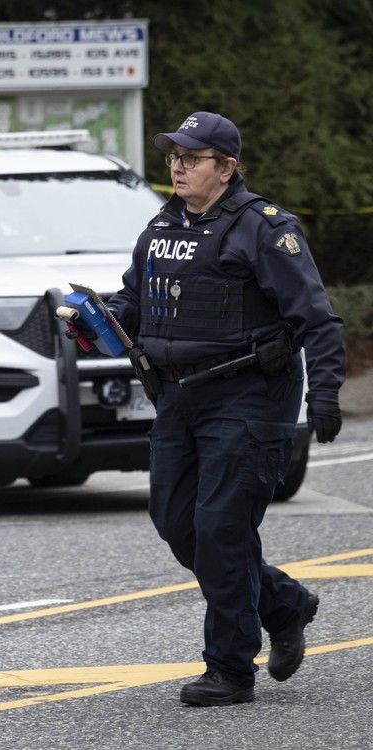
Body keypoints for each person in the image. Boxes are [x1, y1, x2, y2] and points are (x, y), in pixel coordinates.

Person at [99, 112, 345, 706]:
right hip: (179, 397)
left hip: (249, 396)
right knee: (177, 523)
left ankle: (230, 669)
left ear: (227, 167)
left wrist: (327, 394)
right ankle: (284, 606)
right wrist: (97, 317)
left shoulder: (264, 229)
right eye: (174, 156)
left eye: (193, 156)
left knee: (221, 528)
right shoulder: (161, 226)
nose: (179, 166)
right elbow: (134, 299)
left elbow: (317, 318)